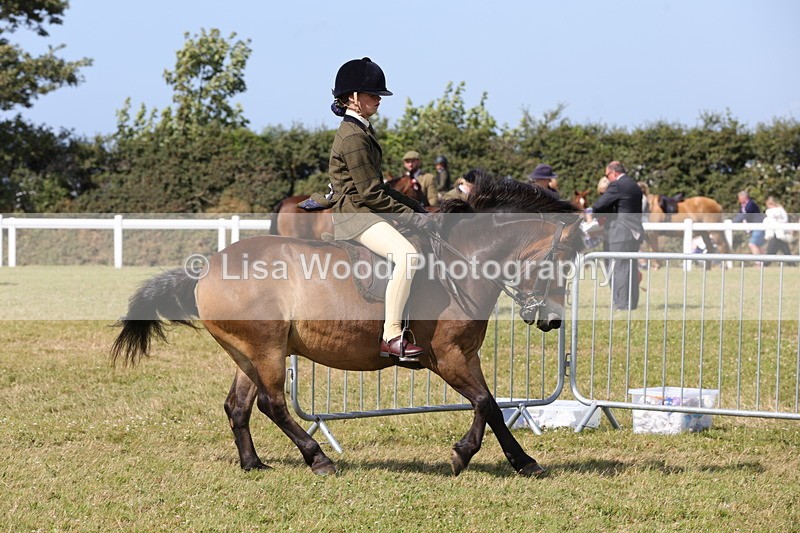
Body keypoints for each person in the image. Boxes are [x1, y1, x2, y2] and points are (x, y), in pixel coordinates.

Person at [324, 57, 430, 361]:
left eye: (378, 95)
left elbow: (380, 188)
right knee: (408, 256)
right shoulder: (354, 136)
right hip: (355, 215)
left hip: (363, 210)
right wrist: (412, 217)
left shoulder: (361, 130)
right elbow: (371, 194)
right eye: (373, 95)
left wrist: (418, 210)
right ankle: (392, 335)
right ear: (353, 98)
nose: (378, 100)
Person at [590, 161, 644, 311]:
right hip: (634, 232)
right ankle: (631, 303)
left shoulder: (616, 185)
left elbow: (599, 205)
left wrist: (596, 215)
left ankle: (622, 304)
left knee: (618, 268)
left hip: (620, 232)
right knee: (630, 267)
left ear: (613, 173)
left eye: (607, 175)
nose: (608, 179)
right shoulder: (634, 185)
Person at [733, 191, 765, 256]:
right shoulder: (743, 206)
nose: (738, 200)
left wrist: (732, 222)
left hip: (758, 226)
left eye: (739, 198)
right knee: (757, 245)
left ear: (744, 197)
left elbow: (744, 215)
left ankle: (759, 263)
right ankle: (765, 262)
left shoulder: (750, 204)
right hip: (754, 228)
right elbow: (740, 215)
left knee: (752, 244)